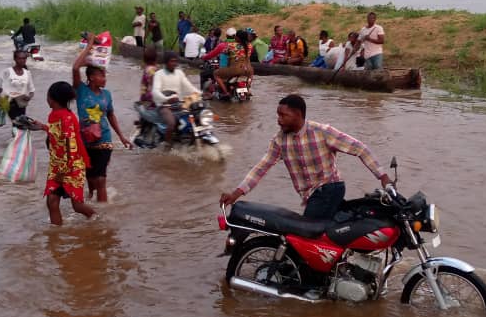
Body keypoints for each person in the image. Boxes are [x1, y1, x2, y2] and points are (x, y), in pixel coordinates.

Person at [220, 94, 391, 219]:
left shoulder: (322, 132)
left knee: (306, 233)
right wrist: (237, 193)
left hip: (330, 188)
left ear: (298, 115)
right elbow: (261, 167)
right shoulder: (280, 140)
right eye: (278, 115)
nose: (279, 120)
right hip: (310, 196)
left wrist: (382, 176)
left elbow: (359, 148)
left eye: (283, 115)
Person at [73, 34, 132, 202]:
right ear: (91, 77)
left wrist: (121, 136)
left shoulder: (107, 94)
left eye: (105, 75)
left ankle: (103, 214)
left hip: (104, 140)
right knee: (90, 177)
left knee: (100, 178)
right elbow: (75, 68)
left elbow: (111, 114)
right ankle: (92, 199)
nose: (104, 79)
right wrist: (90, 44)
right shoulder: (81, 91)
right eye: (101, 75)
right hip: (85, 140)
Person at [35, 81, 94, 224]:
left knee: (77, 206)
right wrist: (42, 127)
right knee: (52, 201)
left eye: (47, 95)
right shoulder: (54, 115)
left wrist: (63, 171)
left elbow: (70, 145)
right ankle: (56, 238)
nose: (46, 99)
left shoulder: (66, 117)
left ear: (53, 98)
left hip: (71, 166)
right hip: (57, 165)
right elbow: (57, 134)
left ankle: (96, 219)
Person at [152, 52, 202, 142]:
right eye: (172, 61)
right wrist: (166, 99)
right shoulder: (159, 74)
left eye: (175, 61)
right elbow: (155, 91)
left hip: (177, 103)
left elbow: (189, 87)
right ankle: (167, 146)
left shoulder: (179, 73)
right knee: (171, 123)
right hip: (164, 105)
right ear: (166, 62)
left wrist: (200, 93)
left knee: (195, 117)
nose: (174, 63)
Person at [203, 29, 253, 97]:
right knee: (249, 77)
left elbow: (224, 53)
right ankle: (247, 89)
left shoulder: (231, 45)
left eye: (236, 36)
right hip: (248, 70)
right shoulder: (250, 46)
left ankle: (226, 92)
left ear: (237, 37)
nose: (235, 37)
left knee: (216, 74)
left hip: (235, 69)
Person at [0, 50, 35, 120]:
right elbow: (0, 87)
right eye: (20, 58)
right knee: (17, 122)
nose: (22, 60)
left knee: (20, 124)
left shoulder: (27, 73)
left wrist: (29, 97)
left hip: (22, 103)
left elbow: (32, 90)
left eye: (24, 58)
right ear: (15, 59)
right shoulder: (7, 71)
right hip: (10, 103)